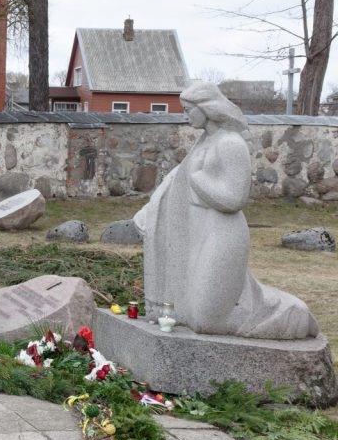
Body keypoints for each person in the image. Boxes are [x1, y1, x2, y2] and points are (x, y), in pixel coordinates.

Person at [134, 81, 319, 340]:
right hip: (196, 231)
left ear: (206, 108)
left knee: (207, 320)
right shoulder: (204, 142)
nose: (185, 116)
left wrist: (198, 180)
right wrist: (150, 211)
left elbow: (234, 199)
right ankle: (260, 305)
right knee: (190, 314)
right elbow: (174, 182)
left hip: (222, 233)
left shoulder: (230, 143)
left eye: (189, 110)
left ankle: (290, 314)